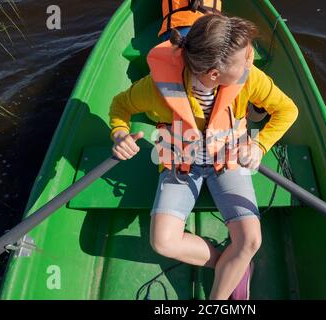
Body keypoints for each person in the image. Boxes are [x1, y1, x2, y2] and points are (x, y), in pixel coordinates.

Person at [109, 14, 299, 300]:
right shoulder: (156, 89)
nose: (251, 60)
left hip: (229, 161)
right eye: (245, 59)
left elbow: (287, 110)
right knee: (162, 241)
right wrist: (120, 134)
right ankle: (231, 263)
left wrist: (259, 147)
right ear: (214, 74)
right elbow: (120, 106)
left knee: (251, 239)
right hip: (180, 165)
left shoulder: (250, 78)